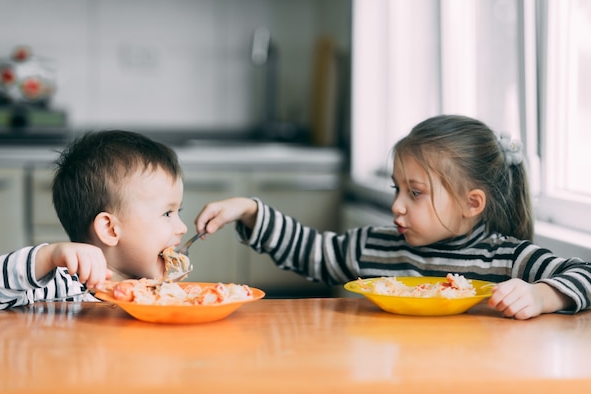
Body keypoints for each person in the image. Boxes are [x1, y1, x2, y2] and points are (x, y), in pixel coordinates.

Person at [195, 114, 591, 320]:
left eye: (415, 193)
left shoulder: (508, 260)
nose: (397, 206)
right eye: (396, 189)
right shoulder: (376, 248)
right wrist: (249, 212)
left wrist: (541, 295)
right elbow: (312, 251)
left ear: (472, 203)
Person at [0, 130, 188, 310]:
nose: (182, 227)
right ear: (110, 229)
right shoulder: (63, 284)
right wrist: (47, 257)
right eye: (167, 214)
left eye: (179, 212)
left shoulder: (158, 294)